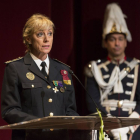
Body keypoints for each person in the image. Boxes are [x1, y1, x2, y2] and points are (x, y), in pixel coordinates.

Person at [1, 13, 79, 140]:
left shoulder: (63, 70)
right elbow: (9, 111)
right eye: (40, 34)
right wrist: (40, 123)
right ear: (28, 39)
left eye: (50, 33)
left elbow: (70, 110)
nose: (47, 39)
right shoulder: (16, 68)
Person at [85, 3, 140, 140]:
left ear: (126, 42)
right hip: (105, 129)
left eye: (120, 39)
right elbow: (92, 102)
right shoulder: (94, 68)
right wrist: (110, 125)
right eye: (112, 39)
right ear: (105, 42)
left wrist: (131, 123)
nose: (117, 43)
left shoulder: (137, 66)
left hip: (135, 128)